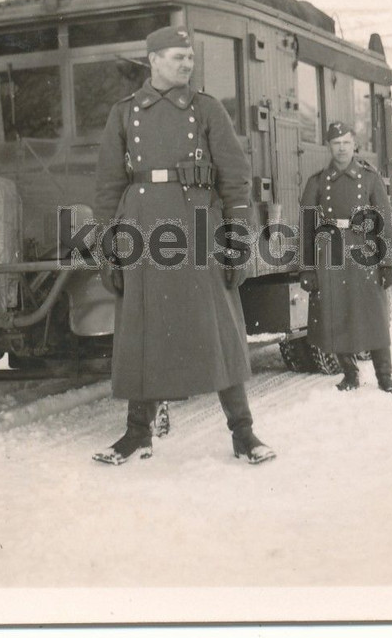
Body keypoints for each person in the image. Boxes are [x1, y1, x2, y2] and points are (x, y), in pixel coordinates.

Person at [91, 25, 275, 465]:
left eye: (189, 57)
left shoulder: (207, 109)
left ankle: (244, 433)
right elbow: (106, 188)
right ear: (152, 60)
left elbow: (234, 181)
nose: (186, 64)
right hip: (141, 231)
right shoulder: (124, 114)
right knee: (142, 328)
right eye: (177, 57)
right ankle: (138, 434)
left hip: (197, 231)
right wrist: (106, 248)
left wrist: (238, 241)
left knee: (219, 330)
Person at [299, 122, 392, 397]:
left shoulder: (370, 178)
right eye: (336, 143)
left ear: (354, 144)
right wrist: (307, 267)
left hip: (365, 250)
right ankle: (350, 373)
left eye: (346, 142)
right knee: (337, 311)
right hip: (331, 253)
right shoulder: (317, 181)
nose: (341, 148)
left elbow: (386, 223)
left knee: (375, 314)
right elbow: (307, 226)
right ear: (329, 147)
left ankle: (385, 376)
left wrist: (389, 262)